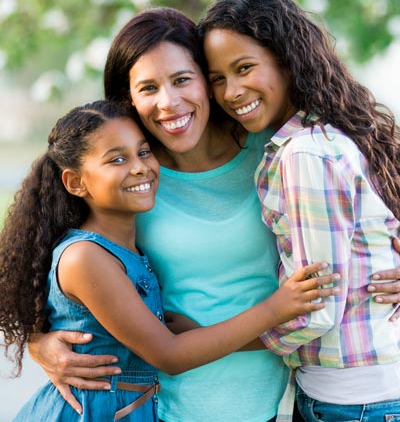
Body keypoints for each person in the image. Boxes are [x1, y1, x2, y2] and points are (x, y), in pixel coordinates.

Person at [27, 7, 400, 422]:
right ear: (127, 98)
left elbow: (370, 204)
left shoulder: (275, 147)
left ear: (208, 80)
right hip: (169, 402)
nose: (169, 102)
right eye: (148, 87)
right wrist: (37, 340)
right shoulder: (130, 179)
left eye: (183, 79)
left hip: (268, 399)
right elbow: (52, 263)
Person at [0, 99, 340, 421]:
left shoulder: (126, 247)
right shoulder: (86, 257)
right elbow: (169, 355)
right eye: (117, 160)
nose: (139, 168)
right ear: (75, 182)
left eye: (144, 152)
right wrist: (275, 309)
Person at [198, 0, 400, 421]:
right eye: (218, 78)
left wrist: (208, 340)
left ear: (287, 61)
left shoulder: (305, 153)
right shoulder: (333, 133)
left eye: (244, 67)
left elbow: (316, 307)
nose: (231, 91)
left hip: (352, 400)